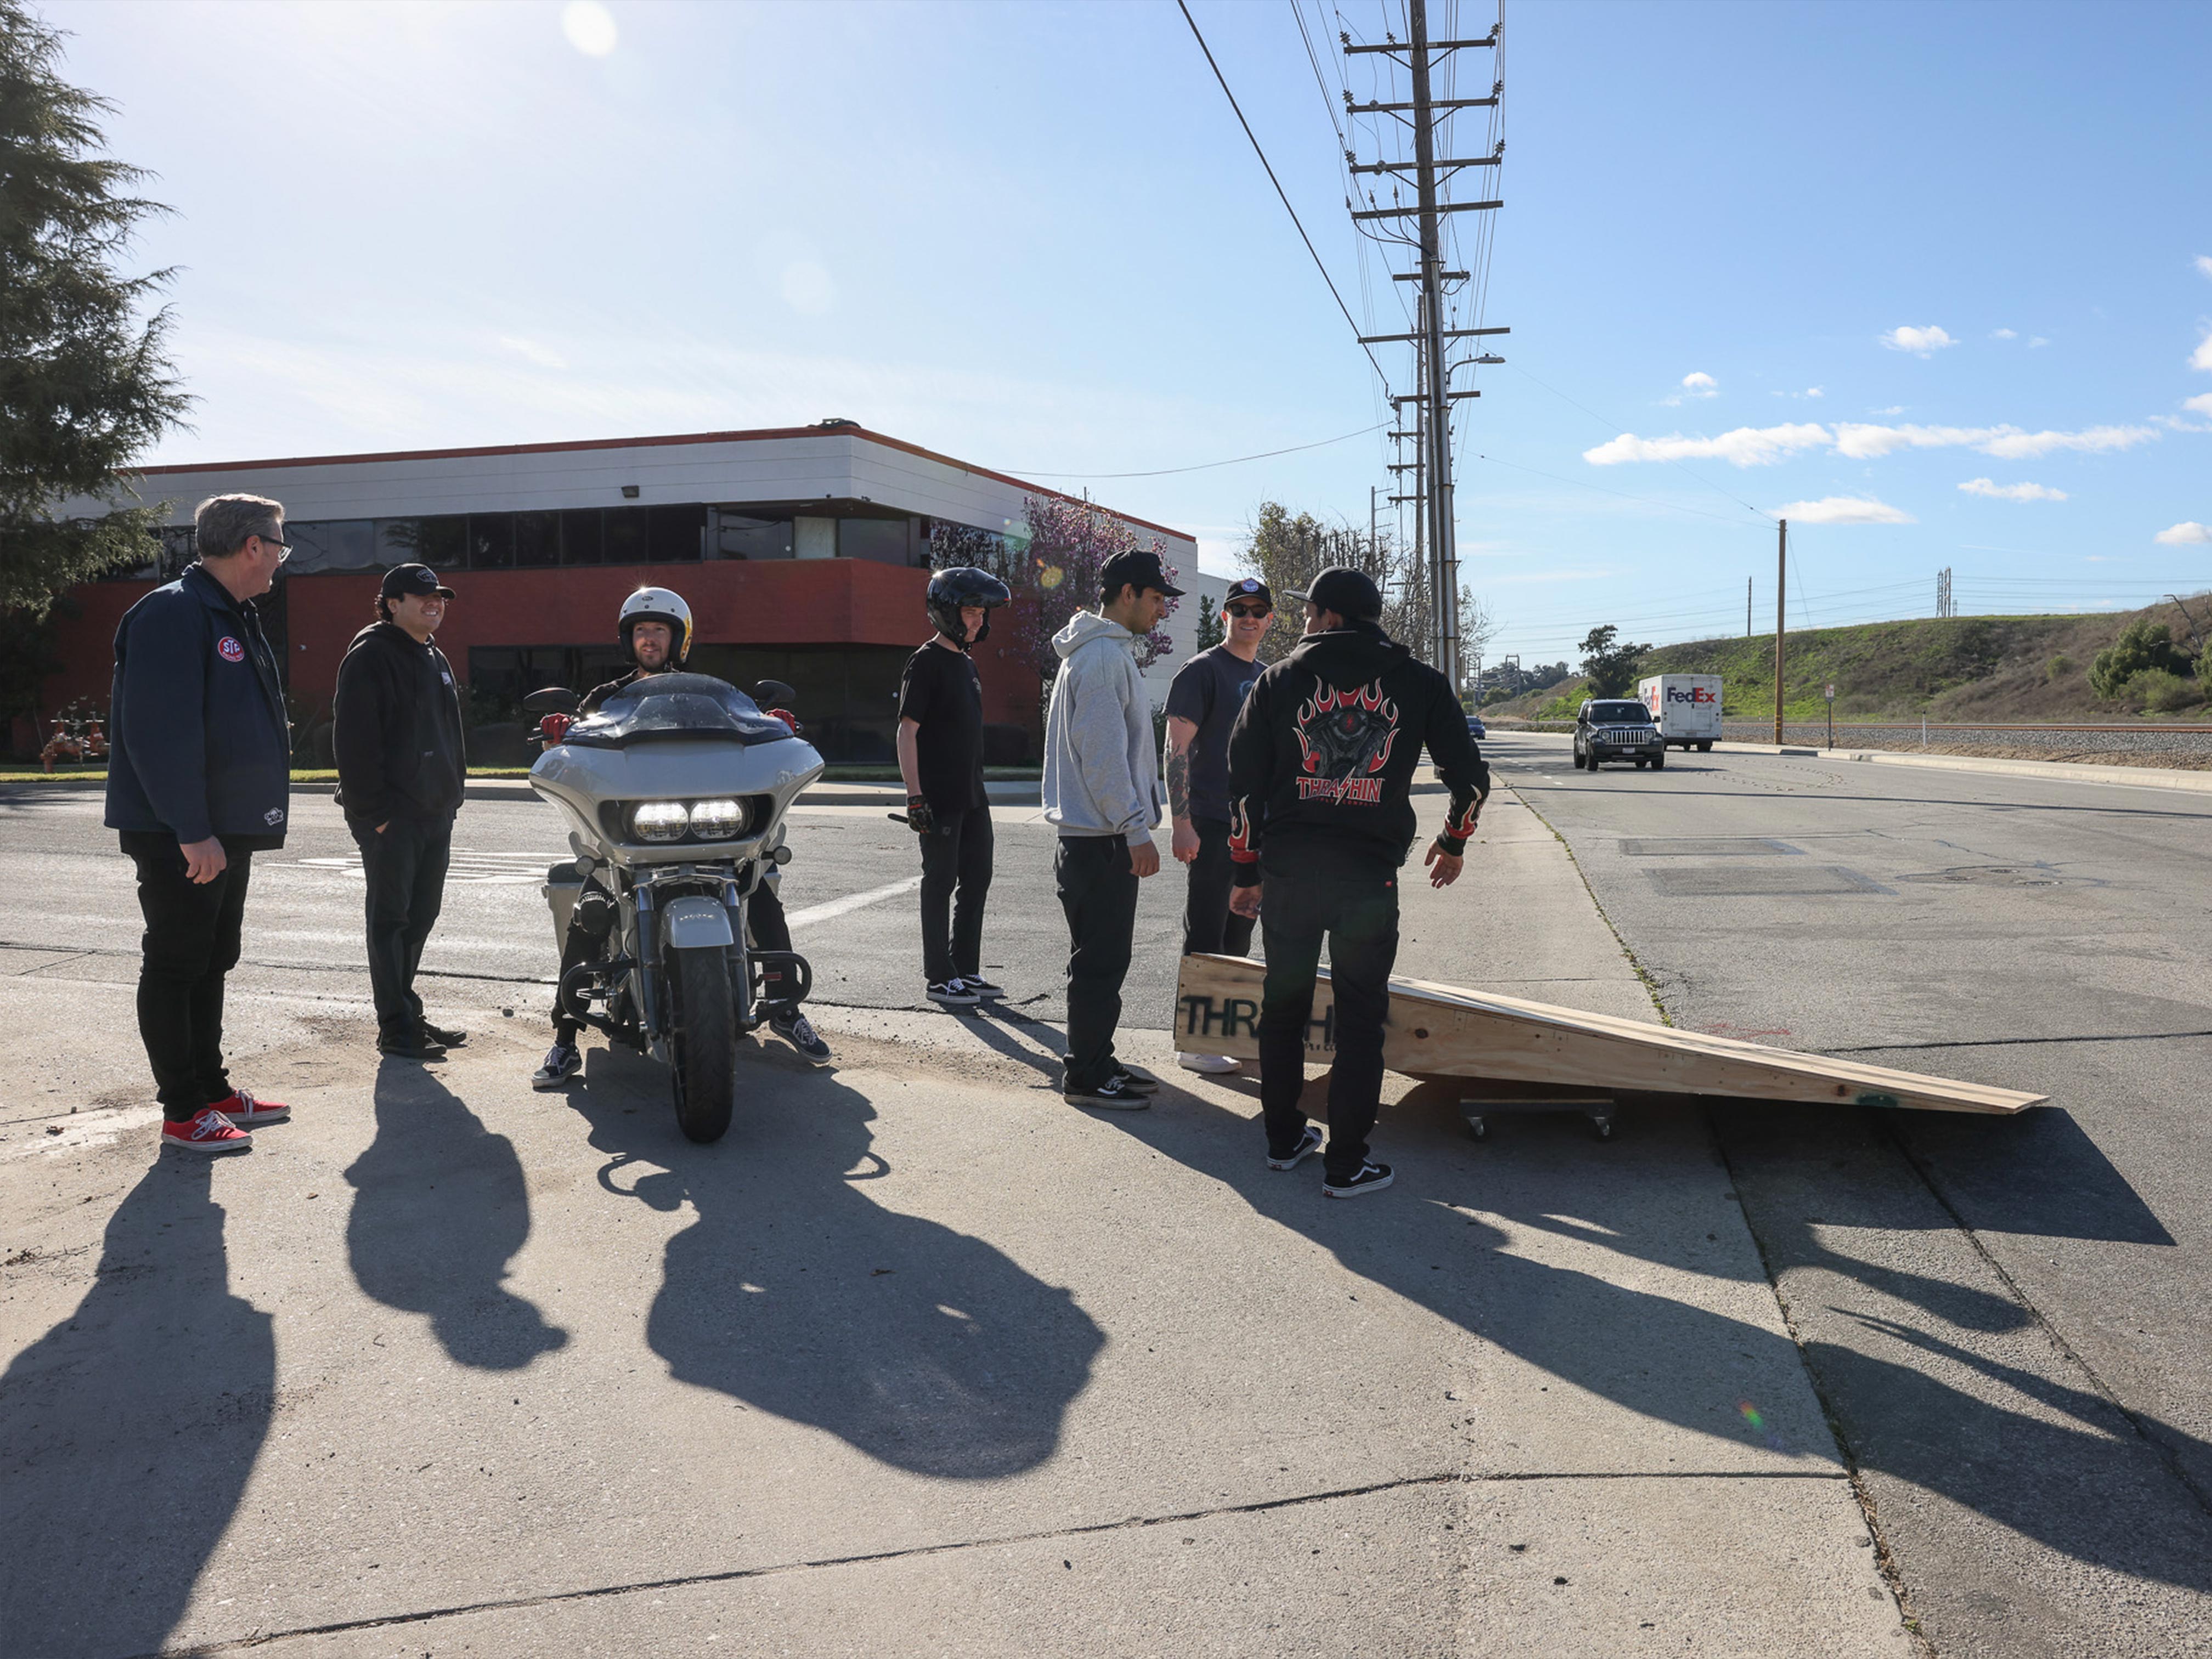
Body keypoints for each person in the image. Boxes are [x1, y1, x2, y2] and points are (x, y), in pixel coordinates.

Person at [1225, 566, 1488, 1197]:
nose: (1306, 622)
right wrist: (1452, 841)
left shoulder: (1277, 682)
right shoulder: (1419, 682)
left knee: (1284, 1008)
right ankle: (1346, 1164)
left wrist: (1244, 871)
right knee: (1362, 1020)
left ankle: (1283, 1139)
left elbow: (1241, 787)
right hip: (1366, 881)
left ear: (1333, 617)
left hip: (1288, 874)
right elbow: (1472, 780)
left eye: (1312, 611)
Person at [531, 586, 829, 1088]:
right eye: (642, 631)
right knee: (592, 909)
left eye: (660, 631)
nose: (651, 639)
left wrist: (773, 727)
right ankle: (564, 1038)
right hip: (636, 835)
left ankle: (783, 1008)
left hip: (710, 830)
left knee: (761, 897)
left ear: (678, 639)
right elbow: (579, 745)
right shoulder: (604, 700)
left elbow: (744, 732)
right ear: (629, 640)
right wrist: (558, 734)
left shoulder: (708, 697)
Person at [104, 494, 296, 1154]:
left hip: (222, 828)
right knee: (178, 962)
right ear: (252, 545)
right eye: (279, 546)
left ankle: (212, 1089)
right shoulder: (173, 612)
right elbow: (157, 734)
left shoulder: (231, 613)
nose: (280, 559)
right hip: (181, 833)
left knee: (213, 958)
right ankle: (182, 1110)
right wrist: (191, 827)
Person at [1041, 548, 1182, 1109]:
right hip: (1101, 841)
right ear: (1127, 593)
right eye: (1154, 599)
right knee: (1100, 963)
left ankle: (1096, 1059)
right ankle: (1087, 1076)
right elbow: (1102, 755)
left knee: (1100, 959)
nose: (1160, 611)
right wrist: (1134, 828)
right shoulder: (1100, 659)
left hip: (1093, 840)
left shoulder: (1101, 653)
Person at [332, 563, 467, 1060]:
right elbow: (352, 742)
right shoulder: (371, 655)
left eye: (440, 597)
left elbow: (447, 734)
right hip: (392, 817)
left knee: (421, 915)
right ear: (392, 604)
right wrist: (377, 813)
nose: (435, 603)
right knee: (390, 920)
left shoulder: (432, 654)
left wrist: (453, 796)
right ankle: (394, 1027)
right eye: (422, 597)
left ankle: (407, 1009)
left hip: (435, 812)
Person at [1164, 575, 1271, 1074]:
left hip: (1255, 831)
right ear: (1226, 616)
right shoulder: (1202, 671)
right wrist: (1180, 823)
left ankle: (1226, 1030)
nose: (1249, 617)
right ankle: (1193, 1042)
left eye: (1258, 610)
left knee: (1239, 934)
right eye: (1239, 609)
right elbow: (1176, 751)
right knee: (1205, 931)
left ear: (1270, 619)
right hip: (1209, 823)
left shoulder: (1271, 676)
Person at [897, 566, 1012, 1008]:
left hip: (973, 797)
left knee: (977, 879)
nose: (978, 620)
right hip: (939, 798)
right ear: (946, 612)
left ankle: (966, 969)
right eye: (970, 611)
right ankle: (938, 975)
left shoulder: (965, 663)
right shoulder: (925, 661)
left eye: (982, 612)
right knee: (939, 881)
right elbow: (907, 731)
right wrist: (915, 797)